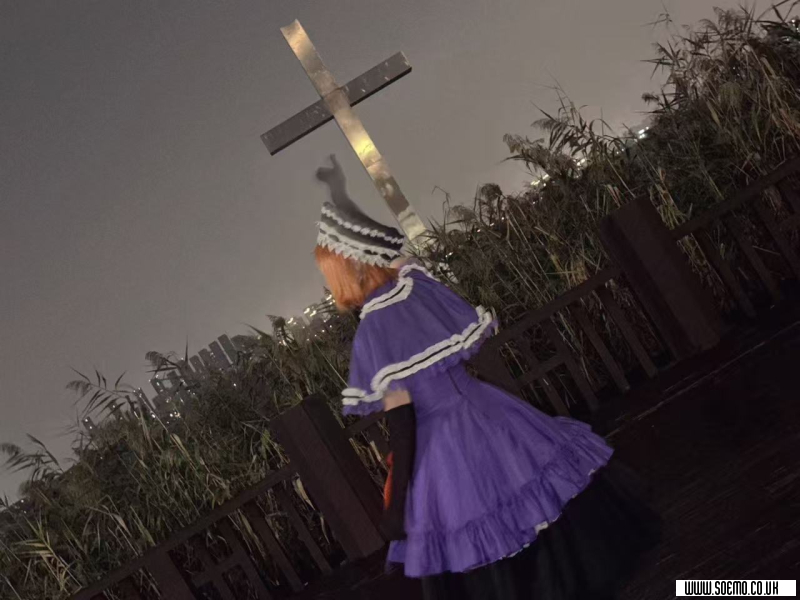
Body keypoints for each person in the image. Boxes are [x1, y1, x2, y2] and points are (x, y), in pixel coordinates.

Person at [313, 155, 660, 599]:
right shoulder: (416, 285)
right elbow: (388, 242)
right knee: (535, 495)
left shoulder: (373, 333)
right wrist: (340, 198)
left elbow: (402, 424)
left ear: (347, 273)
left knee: (479, 526)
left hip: (443, 444)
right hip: (486, 410)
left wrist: (397, 507)